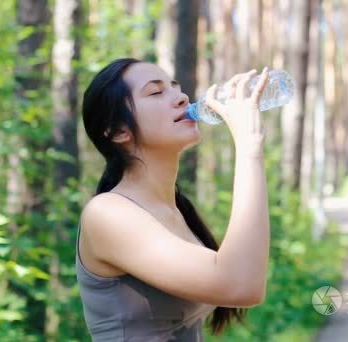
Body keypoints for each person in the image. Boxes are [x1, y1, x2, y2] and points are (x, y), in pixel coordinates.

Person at [77, 57, 271, 341]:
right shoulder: (107, 214)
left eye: (176, 88)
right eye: (156, 92)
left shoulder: (176, 210)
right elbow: (241, 285)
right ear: (118, 130)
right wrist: (248, 146)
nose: (181, 97)